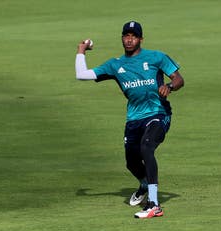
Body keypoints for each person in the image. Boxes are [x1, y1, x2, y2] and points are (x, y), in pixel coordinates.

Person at [75, 21, 184, 218]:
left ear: (141, 39)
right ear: (122, 38)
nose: (129, 39)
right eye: (126, 35)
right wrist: (81, 50)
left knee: (147, 146)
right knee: (131, 162)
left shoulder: (156, 57)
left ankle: (154, 204)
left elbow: (179, 79)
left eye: (134, 36)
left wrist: (169, 86)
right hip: (134, 119)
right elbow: (81, 75)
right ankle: (144, 184)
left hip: (158, 113)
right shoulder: (115, 64)